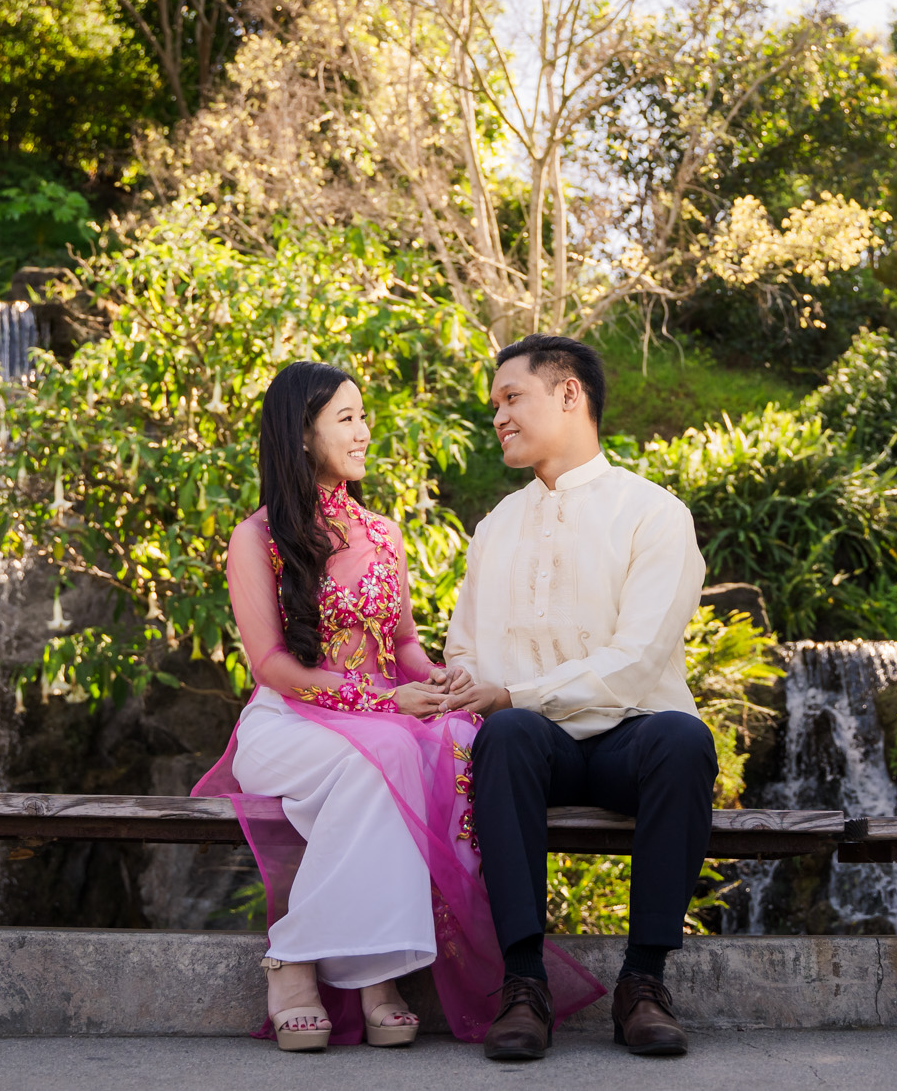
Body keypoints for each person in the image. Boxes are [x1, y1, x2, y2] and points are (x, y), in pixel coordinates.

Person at [194, 360, 600, 1051]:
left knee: (459, 737)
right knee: (388, 750)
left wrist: (442, 684)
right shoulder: (255, 537)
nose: (363, 431)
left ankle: (374, 968)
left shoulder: (382, 534)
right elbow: (274, 666)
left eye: (363, 416)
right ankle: (296, 959)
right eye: (346, 418)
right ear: (300, 435)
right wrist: (387, 701)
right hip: (289, 722)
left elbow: (405, 644)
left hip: (377, 718)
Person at [441, 334, 713, 1061]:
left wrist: (511, 691)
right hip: (540, 746)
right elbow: (463, 646)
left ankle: (644, 981)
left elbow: (636, 661)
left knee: (684, 739)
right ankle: (525, 984)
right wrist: (458, 686)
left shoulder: (654, 513)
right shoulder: (496, 526)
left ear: (570, 394)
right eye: (493, 405)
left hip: (632, 738)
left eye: (511, 398)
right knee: (506, 736)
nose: (497, 416)